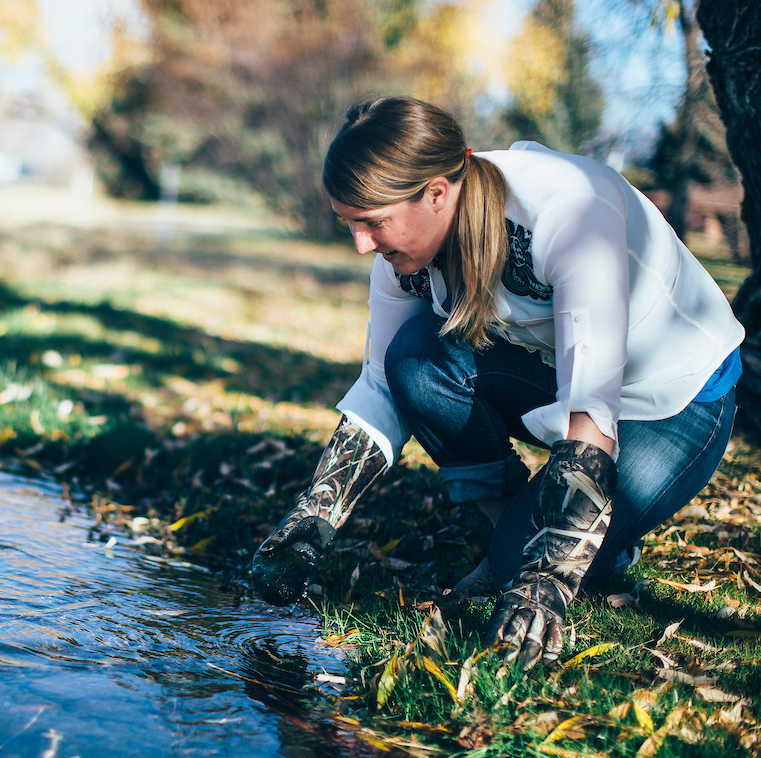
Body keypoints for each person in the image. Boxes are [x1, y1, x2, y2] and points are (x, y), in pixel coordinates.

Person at [249, 96, 743, 670]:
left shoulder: (569, 212)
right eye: (349, 223)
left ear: (436, 192)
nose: (362, 245)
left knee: (528, 572)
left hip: (673, 399)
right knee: (412, 356)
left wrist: (544, 581)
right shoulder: (404, 255)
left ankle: (580, 544)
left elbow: (591, 416)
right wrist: (311, 521)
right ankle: (514, 522)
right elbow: (384, 385)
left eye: (373, 222)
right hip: (555, 372)